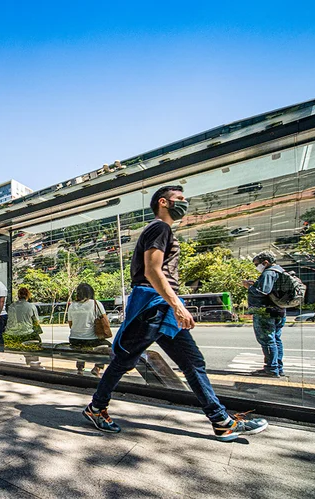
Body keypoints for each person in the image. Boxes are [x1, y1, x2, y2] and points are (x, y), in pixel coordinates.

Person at [82, 185, 269, 442]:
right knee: (124, 361)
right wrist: (178, 305)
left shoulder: (162, 230)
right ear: (163, 202)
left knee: (192, 362)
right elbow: (152, 270)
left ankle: (221, 421)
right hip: (152, 305)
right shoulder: (160, 228)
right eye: (179, 199)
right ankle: (95, 408)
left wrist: (174, 305)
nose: (184, 202)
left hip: (161, 307)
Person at [241, 251, 287, 378]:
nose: (257, 267)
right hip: (279, 310)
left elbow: (262, 291)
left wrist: (249, 287)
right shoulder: (280, 271)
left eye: (257, 264)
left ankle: (271, 369)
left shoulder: (269, 272)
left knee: (267, 341)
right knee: (276, 339)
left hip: (266, 312)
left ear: (265, 262)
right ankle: (278, 367)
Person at [67, 283, 111, 377]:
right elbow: (106, 321)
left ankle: (80, 368)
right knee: (107, 346)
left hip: (74, 339)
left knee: (81, 346)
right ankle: (97, 367)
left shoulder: (72, 305)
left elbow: (70, 325)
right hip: (91, 339)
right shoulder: (96, 303)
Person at [5, 287, 42, 367]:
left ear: (18, 295)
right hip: (26, 334)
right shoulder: (31, 306)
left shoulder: (12, 306)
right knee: (36, 340)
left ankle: (29, 359)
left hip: (12, 334)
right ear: (28, 295)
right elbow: (36, 321)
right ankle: (33, 361)